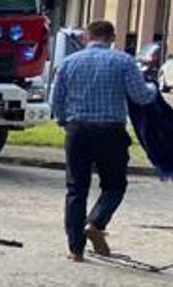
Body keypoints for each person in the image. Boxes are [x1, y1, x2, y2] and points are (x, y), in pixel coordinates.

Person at [49, 20, 158, 261]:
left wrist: (65, 122)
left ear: (87, 36)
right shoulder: (123, 61)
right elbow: (140, 96)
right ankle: (96, 222)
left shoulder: (68, 63)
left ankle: (76, 250)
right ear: (112, 37)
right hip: (111, 132)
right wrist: (153, 88)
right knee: (115, 185)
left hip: (78, 132)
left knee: (76, 189)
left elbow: (55, 101)